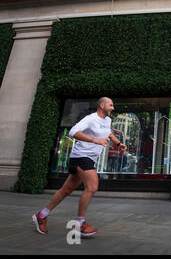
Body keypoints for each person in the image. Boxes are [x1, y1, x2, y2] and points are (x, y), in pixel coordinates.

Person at [32, 97, 127, 237]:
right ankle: (81, 224)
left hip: (87, 159)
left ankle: (41, 215)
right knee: (92, 186)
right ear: (102, 105)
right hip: (81, 157)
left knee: (66, 190)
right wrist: (94, 140)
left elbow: (108, 132)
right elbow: (73, 132)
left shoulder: (107, 120)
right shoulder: (90, 119)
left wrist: (118, 143)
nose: (113, 108)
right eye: (110, 105)